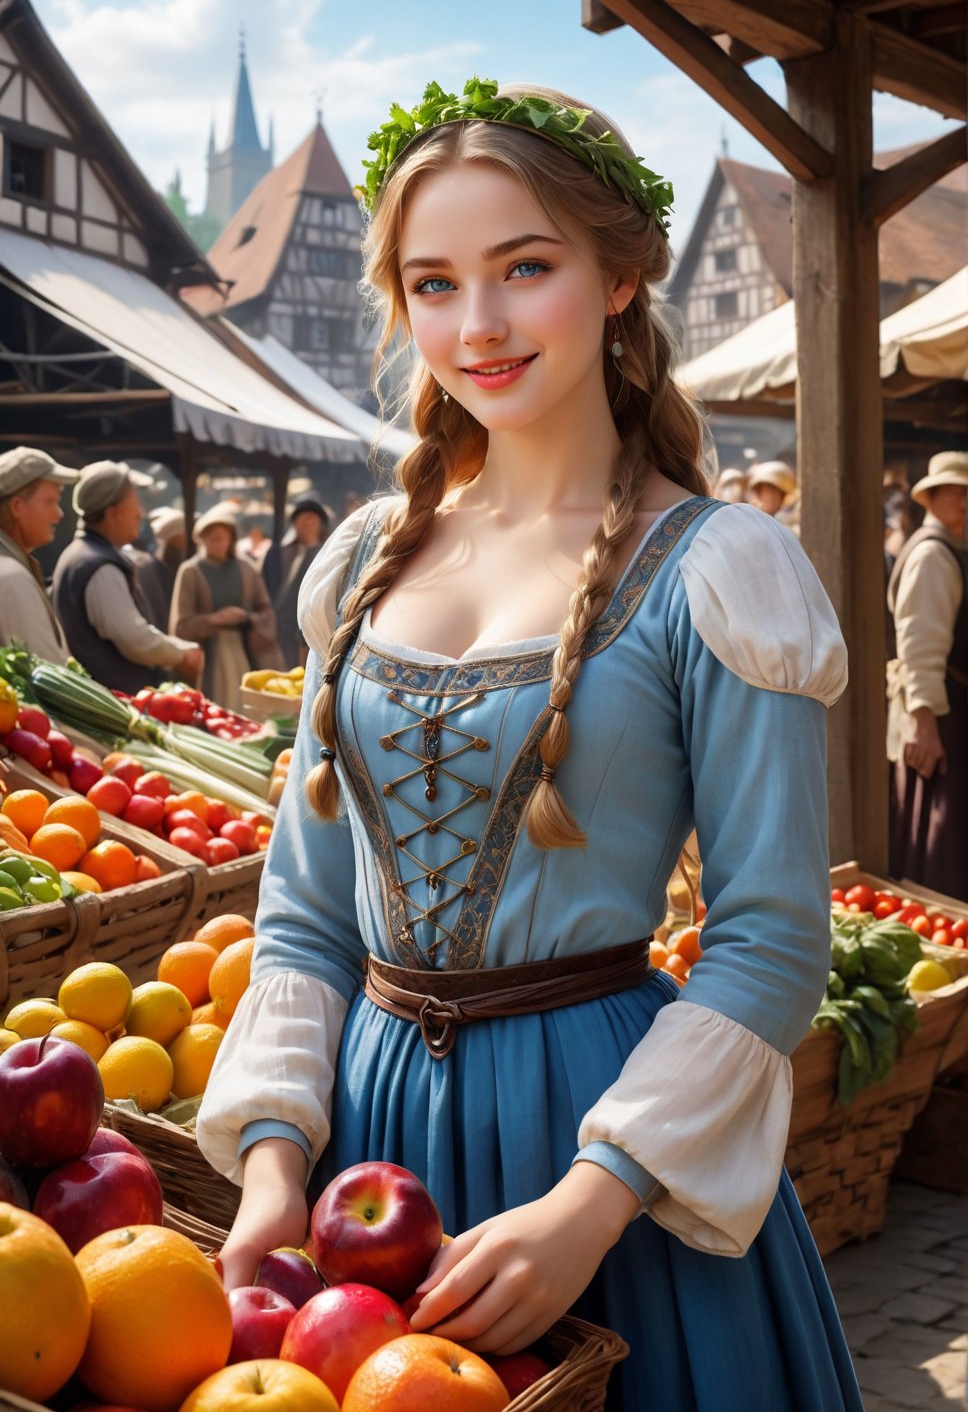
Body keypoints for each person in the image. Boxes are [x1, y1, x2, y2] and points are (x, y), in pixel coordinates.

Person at [196, 79, 859, 1410]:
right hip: (369, 1165)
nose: (478, 326)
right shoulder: (362, 570)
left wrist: (593, 1204)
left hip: (607, 1156)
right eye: (433, 284)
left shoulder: (722, 570)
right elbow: (308, 910)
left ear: (621, 278)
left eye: (526, 268)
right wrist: (276, 1159)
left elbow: (774, 936)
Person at [887, 451, 968, 901]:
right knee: (939, 831)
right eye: (957, 494)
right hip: (939, 716)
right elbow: (919, 644)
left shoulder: (952, 550)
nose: (965, 503)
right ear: (933, 499)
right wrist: (923, 721)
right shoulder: (933, 556)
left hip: (950, 710)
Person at [52, 460, 202, 693]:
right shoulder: (98, 566)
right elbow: (135, 640)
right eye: (135, 502)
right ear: (113, 512)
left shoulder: (82, 555)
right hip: (115, 706)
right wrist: (182, 655)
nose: (140, 512)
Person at [170, 503, 280, 714]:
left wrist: (246, 617)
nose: (218, 543)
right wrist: (215, 620)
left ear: (231, 539)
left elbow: (266, 612)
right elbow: (180, 626)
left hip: (242, 651)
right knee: (213, 708)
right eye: (212, 538)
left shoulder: (246, 568)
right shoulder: (191, 571)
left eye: (222, 537)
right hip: (209, 657)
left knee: (246, 709)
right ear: (202, 540)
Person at [0, 446, 78, 662]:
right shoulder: (11, 578)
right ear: (17, 507)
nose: (58, 514)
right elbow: (46, 675)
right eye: (50, 502)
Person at [261, 491, 335, 668]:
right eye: (303, 518)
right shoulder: (276, 555)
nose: (307, 522)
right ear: (294, 523)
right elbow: (264, 589)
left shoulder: (329, 556)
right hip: (278, 630)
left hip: (312, 632)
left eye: (312, 518)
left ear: (321, 524)